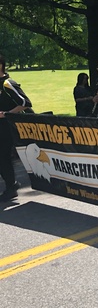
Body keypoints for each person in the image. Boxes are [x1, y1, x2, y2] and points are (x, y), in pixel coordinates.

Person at [0, 55, 33, 201]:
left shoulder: (7, 83)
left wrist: (7, 114)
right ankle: (12, 184)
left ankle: (11, 187)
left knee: (3, 157)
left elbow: (25, 103)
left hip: (6, 127)